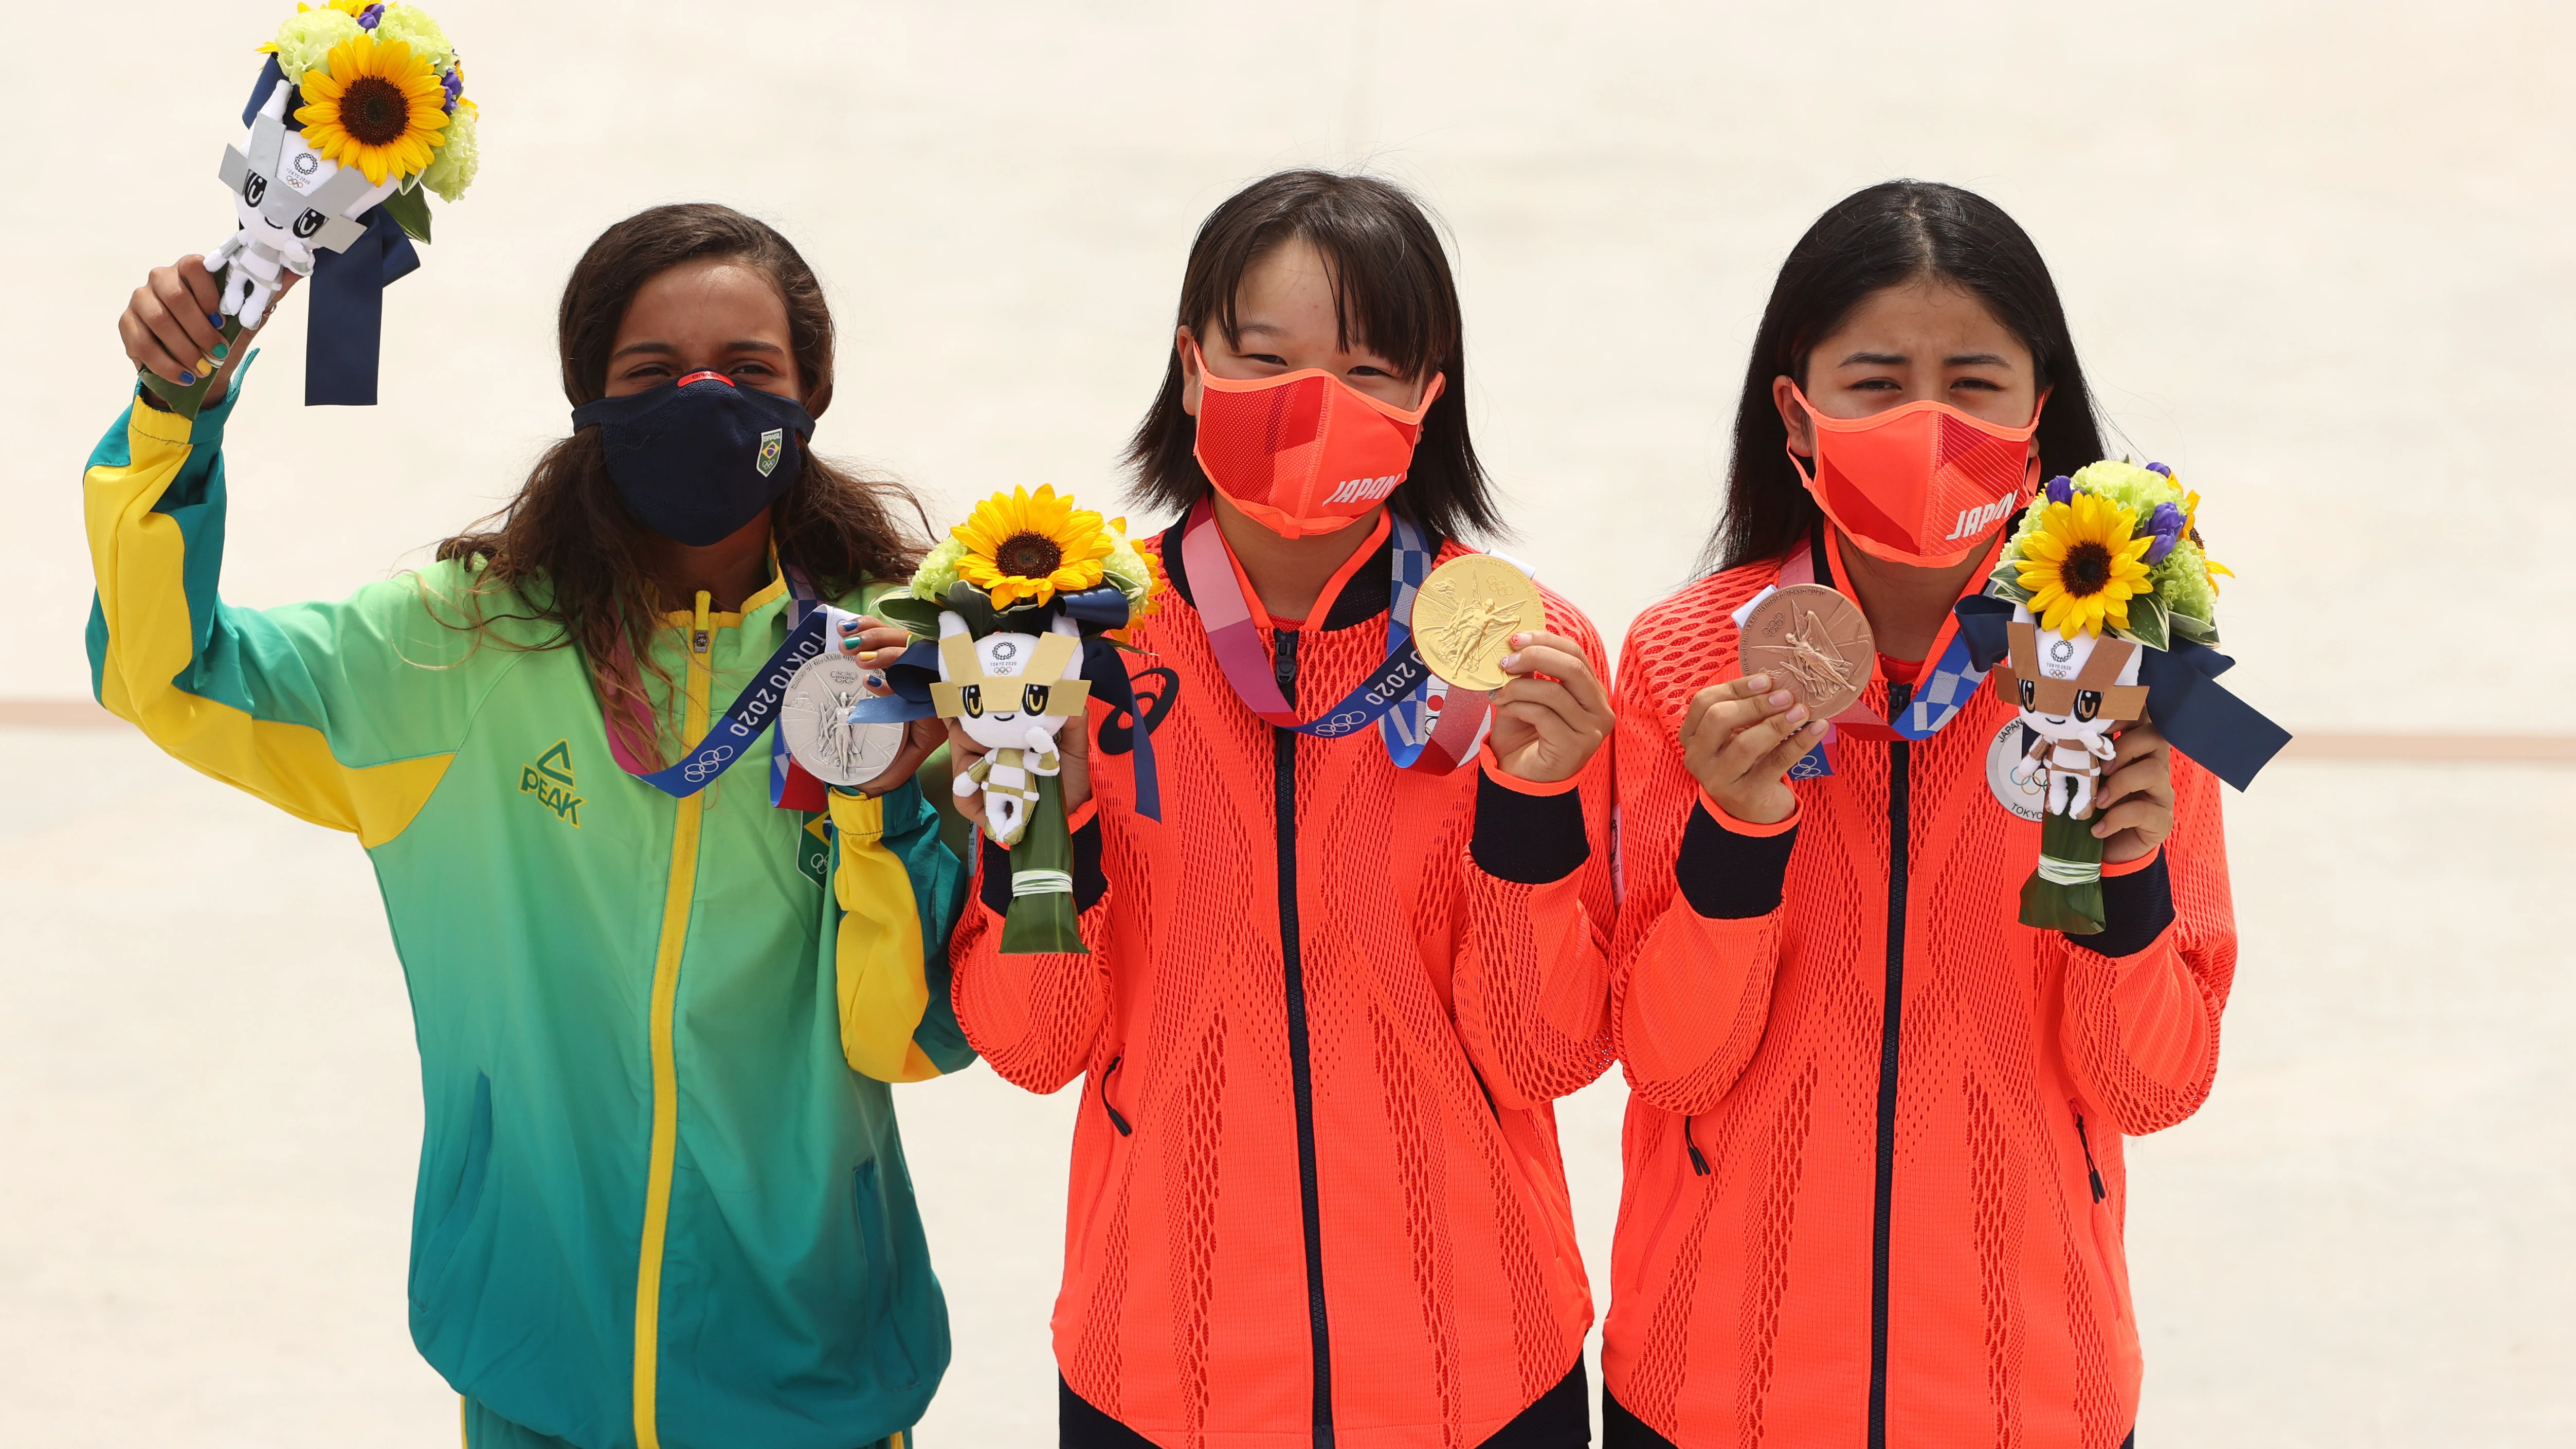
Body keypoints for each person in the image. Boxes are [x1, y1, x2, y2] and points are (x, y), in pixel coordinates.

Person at [93, 203, 967, 1449]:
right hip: (538, 1358)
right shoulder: (463, 644)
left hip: (813, 1369)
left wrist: (886, 809)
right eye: (653, 375)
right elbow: (168, 673)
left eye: (750, 373)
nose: (705, 401)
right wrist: (175, 419)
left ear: (813, 391)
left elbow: (920, 1032)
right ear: (589, 400)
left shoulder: (898, 661)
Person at [945, 170, 1619, 1449]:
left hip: (1481, 1368)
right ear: (1193, 365)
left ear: (1432, 391)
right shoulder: (1069, 647)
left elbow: (1546, 1054)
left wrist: (1531, 812)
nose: (1316, 405)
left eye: (1368, 370)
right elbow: (1035, 1044)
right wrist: (1054, 830)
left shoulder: (1520, 653)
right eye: (1267, 358)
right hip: (1159, 1367)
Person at [1602, 182, 2236, 1449]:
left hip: (2032, 1394)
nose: (1930, 424)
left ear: (2039, 408)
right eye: (1879, 383)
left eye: (1977, 383)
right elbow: (1669, 1061)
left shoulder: (2130, 669)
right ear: (1797, 408)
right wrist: (1738, 838)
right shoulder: (1685, 662)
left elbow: (2155, 1087)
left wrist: (2130, 882)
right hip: (1715, 1389)